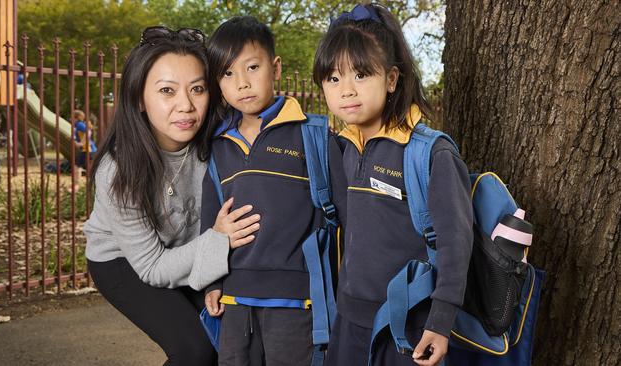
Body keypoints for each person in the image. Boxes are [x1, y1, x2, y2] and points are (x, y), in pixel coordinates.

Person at [83, 26, 261, 366]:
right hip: (125, 261)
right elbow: (153, 268)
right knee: (195, 350)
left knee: (234, 337)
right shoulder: (118, 170)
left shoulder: (220, 142)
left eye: (197, 89)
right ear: (139, 98)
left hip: (191, 247)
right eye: (167, 91)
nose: (186, 105)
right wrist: (218, 240)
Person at [313, 4, 473, 366]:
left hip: (407, 324)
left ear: (391, 79)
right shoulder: (345, 150)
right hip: (349, 319)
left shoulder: (430, 152)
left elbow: (456, 243)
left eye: (361, 75)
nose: (346, 91)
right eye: (333, 79)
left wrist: (441, 320)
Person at [201, 16, 347, 366]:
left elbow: (347, 220)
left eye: (252, 67)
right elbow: (211, 222)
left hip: (297, 302)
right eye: (227, 74)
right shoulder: (218, 146)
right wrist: (212, 283)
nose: (242, 83)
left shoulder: (312, 134)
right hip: (234, 303)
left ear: (276, 67)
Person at [70, 109, 97, 191]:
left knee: (76, 166)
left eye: (72, 117)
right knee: (87, 168)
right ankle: (89, 185)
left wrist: (82, 143)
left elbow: (88, 132)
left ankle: (76, 185)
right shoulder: (77, 125)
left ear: (76, 117)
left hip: (88, 149)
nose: (70, 119)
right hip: (88, 150)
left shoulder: (79, 124)